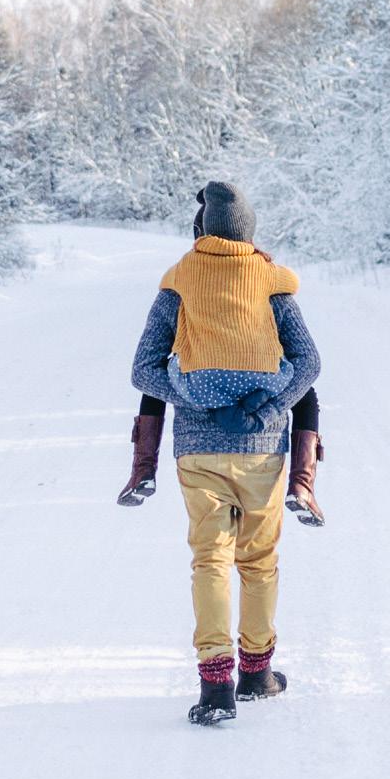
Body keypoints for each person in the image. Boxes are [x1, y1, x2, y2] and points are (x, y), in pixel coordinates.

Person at [121, 181, 323, 725]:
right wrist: (269, 405)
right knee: (259, 562)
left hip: (197, 447)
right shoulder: (274, 282)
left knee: (210, 560)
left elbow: (143, 369)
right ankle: (258, 673)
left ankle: (216, 689)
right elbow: (308, 364)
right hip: (263, 450)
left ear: (202, 229)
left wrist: (191, 392)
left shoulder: (179, 280)